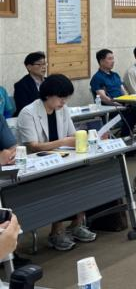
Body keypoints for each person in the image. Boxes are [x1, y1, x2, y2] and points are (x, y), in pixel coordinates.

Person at [17, 74, 97, 251]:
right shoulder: (28, 112)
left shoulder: (63, 109)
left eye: (66, 97)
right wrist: (63, 142)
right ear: (48, 94)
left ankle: (76, 224)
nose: (64, 101)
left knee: (85, 174)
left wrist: (89, 137)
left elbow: (72, 134)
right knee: (61, 181)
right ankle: (56, 232)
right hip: (35, 166)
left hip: (60, 159)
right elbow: (34, 146)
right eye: (61, 97)